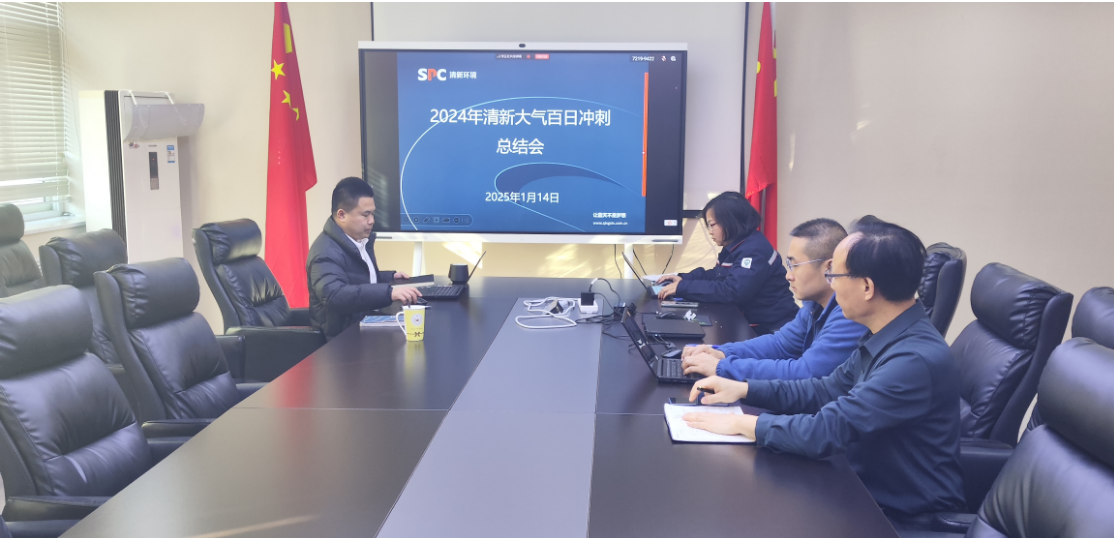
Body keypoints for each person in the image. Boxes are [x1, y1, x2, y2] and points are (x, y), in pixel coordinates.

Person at [682, 221, 965, 525]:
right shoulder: (885, 334)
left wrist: (741, 423)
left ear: (867, 287)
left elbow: (825, 431)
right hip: (857, 489)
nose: (831, 285)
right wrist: (744, 389)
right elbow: (824, 390)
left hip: (898, 519)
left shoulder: (912, 361)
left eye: (835, 276)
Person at [680, 218, 868, 381]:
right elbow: (781, 344)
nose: (788, 275)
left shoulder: (849, 314)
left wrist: (723, 367)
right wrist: (721, 352)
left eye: (795, 265)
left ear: (829, 267)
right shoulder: (814, 305)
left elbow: (806, 372)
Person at [656, 192, 797, 334]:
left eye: (712, 225)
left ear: (730, 221)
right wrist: (683, 279)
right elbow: (718, 275)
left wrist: (683, 287)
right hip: (749, 324)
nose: (710, 231)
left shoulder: (754, 250)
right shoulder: (737, 244)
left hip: (772, 330)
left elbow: (732, 291)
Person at [307, 177, 421, 339]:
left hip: (363, 326)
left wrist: (389, 277)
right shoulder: (325, 252)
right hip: (341, 340)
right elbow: (335, 295)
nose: (372, 221)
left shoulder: (356, 240)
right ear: (341, 215)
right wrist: (389, 293)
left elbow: (356, 279)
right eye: (365, 215)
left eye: (373, 214)